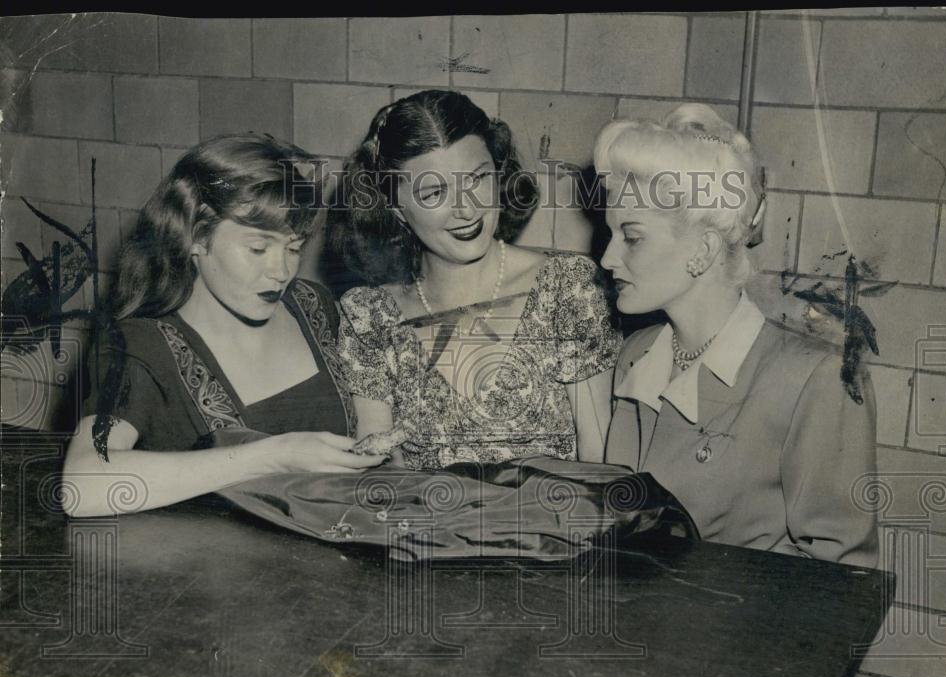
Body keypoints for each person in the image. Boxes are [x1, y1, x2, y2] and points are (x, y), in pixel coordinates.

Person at [596, 104, 879, 567]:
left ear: (703, 249)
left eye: (631, 237)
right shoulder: (637, 356)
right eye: (610, 234)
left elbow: (839, 571)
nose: (608, 258)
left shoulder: (817, 378)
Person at [62, 134, 384, 518]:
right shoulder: (140, 347)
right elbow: (82, 486)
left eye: (294, 248)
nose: (281, 271)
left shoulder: (312, 306)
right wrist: (273, 456)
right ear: (196, 237)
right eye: (258, 248)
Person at [335, 90, 621, 470]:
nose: (467, 209)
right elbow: (380, 462)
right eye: (434, 192)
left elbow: (598, 450)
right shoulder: (370, 317)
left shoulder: (567, 287)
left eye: (478, 178)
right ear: (396, 209)